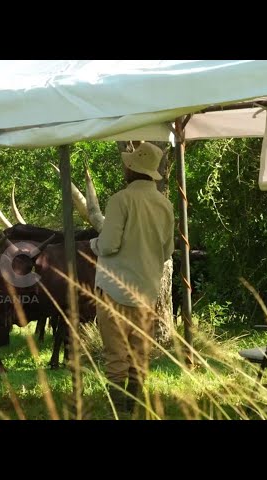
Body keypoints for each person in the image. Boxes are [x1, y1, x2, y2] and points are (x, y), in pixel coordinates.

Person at [89, 142, 174, 418]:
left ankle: (120, 414)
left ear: (131, 168)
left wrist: (94, 244)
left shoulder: (120, 200)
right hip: (146, 292)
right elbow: (166, 252)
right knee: (139, 356)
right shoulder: (165, 205)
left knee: (116, 357)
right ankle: (133, 410)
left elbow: (110, 244)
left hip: (115, 289)